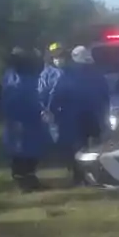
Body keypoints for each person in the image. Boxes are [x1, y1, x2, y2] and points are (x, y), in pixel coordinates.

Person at [0, 47, 48, 192]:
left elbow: (36, 93)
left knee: (30, 150)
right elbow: (8, 99)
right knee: (19, 151)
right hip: (18, 117)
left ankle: (29, 178)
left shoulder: (26, 75)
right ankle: (23, 181)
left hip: (29, 117)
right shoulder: (12, 77)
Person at [38, 45, 86, 185]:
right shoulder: (46, 74)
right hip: (56, 115)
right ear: (51, 58)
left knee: (78, 144)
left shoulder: (74, 72)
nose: (59, 60)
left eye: (61, 57)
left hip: (73, 113)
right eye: (56, 57)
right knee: (63, 145)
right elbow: (42, 93)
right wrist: (45, 110)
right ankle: (71, 170)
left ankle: (80, 174)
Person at [69, 45, 110, 151]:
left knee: (80, 145)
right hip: (95, 115)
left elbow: (62, 93)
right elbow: (106, 96)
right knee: (96, 145)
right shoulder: (98, 74)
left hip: (78, 116)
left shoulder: (71, 74)